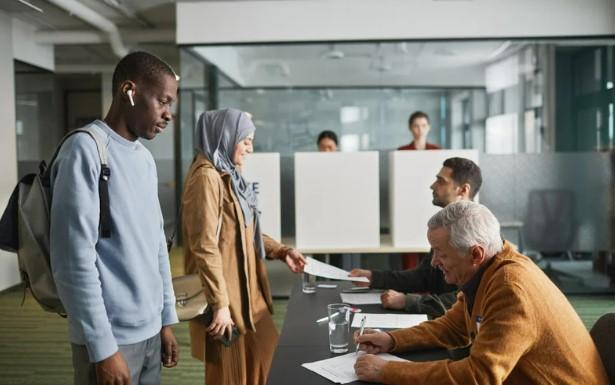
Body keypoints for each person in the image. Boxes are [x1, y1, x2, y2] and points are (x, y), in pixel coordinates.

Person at [354, 201, 609, 385]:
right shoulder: (488, 269)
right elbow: (452, 327)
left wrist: (387, 371)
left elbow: (479, 376)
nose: (433, 262)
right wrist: (392, 339)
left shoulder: (511, 289)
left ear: (475, 254)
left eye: (441, 253)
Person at [50, 51, 179, 385]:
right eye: (162, 101)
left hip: (150, 332)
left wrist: (165, 319)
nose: (169, 114)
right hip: (111, 338)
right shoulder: (86, 149)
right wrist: (103, 348)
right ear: (129, 91)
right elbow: (72, 260)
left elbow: (156, 246)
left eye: (171, 104)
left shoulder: (145, 159)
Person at [182, 108, 306, 385]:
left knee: (266, 364)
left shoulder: (229, 175)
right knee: (232, 375)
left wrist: (282, 250)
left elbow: (244, 231)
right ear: (225, 136)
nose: (250, 148)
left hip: (250, 296)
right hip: (227, 299)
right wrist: (220, 305)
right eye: (245, 140)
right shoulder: (206, 177)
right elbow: (204, 246)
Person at [349, 157, 482, 317]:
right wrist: (374, 278)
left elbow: (468, 298)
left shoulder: (477, 232)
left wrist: (408, 301)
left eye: (441, 181)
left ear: (463, 190)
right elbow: (424, 276)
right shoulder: (447, 226)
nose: (432, 185)